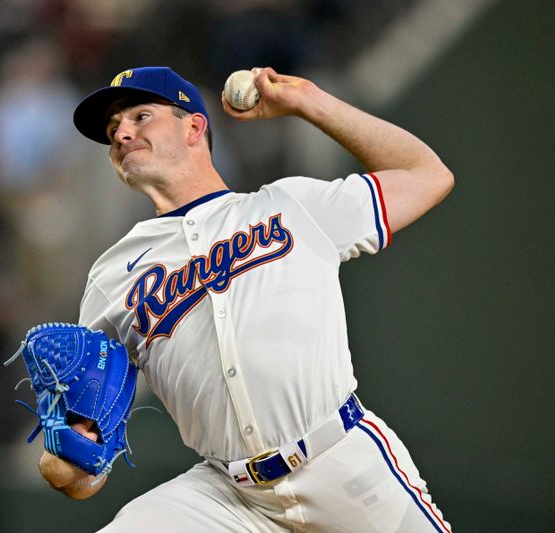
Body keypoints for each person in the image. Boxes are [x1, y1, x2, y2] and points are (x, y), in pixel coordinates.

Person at [38, 66, 454, 532]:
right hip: (226, 498)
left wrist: (309, 102)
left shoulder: (290, 206)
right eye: (114, 130)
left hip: (340, 462)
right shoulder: (111, 277)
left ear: (194, 126)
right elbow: (84, 472)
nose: (122, 134)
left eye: (140, 116)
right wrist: (69, 459)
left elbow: (428, 175)